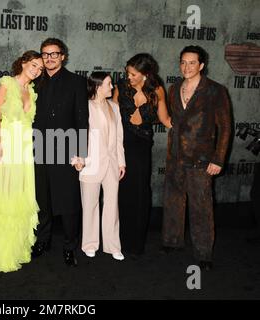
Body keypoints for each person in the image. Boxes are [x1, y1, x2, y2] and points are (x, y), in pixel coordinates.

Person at [0, 50, 44, 272]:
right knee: (3, 193)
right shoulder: (8, 83)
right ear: (23, 63)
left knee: (20, 195)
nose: (36, 70)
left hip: (24, 147)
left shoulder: (31, 91)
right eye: (33, 65)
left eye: (40, 68)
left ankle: (15, 248)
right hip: (8, 144)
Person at [161, 45, 232, 271]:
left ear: (201, 65)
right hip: (175, 158)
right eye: (183, 62)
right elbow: (172, 121)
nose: (186, 67)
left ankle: (204, 253)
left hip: (202, 160)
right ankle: (172, 242)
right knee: (173, 202)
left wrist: (218, 159)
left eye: (192, 62)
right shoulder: (173, 89)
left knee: (201, 208)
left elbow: (226, 127)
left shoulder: (215, 91)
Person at [32, 38, 89, 266]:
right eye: (45, 54)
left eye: (54, 54)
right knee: (42, 201)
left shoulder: (77, 82)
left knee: (68, 204)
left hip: (66, 151)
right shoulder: (34, 81)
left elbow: (81, 119)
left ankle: (69, 246)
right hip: (38, 150)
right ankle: (42, 241)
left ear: (63, 56)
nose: (49, 58)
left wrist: (81, 153)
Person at [111, 53, 171, 258]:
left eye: (134, 74)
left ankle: (135, 243)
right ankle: (115, 239)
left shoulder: (157, 91)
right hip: (121, 145)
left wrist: (191, 127)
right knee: (119, 193)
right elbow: (111, 115)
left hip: (141, 148)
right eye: (128, 72)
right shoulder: (121, 86)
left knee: (139, 193)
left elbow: (165, 120)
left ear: (146, 74)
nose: (129, 77)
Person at [73, 72, 126, 260]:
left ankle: (113, 246)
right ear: (97, 86)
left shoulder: (114, 107)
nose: (112, 87)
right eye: (109, 84)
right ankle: (89, 244)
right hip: (90, 164)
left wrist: (121, 162)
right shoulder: (84, 107)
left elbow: (119, 137)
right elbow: (78, 133)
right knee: (90, 205)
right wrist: (77, 158)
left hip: (111, 164)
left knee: (112, 206)